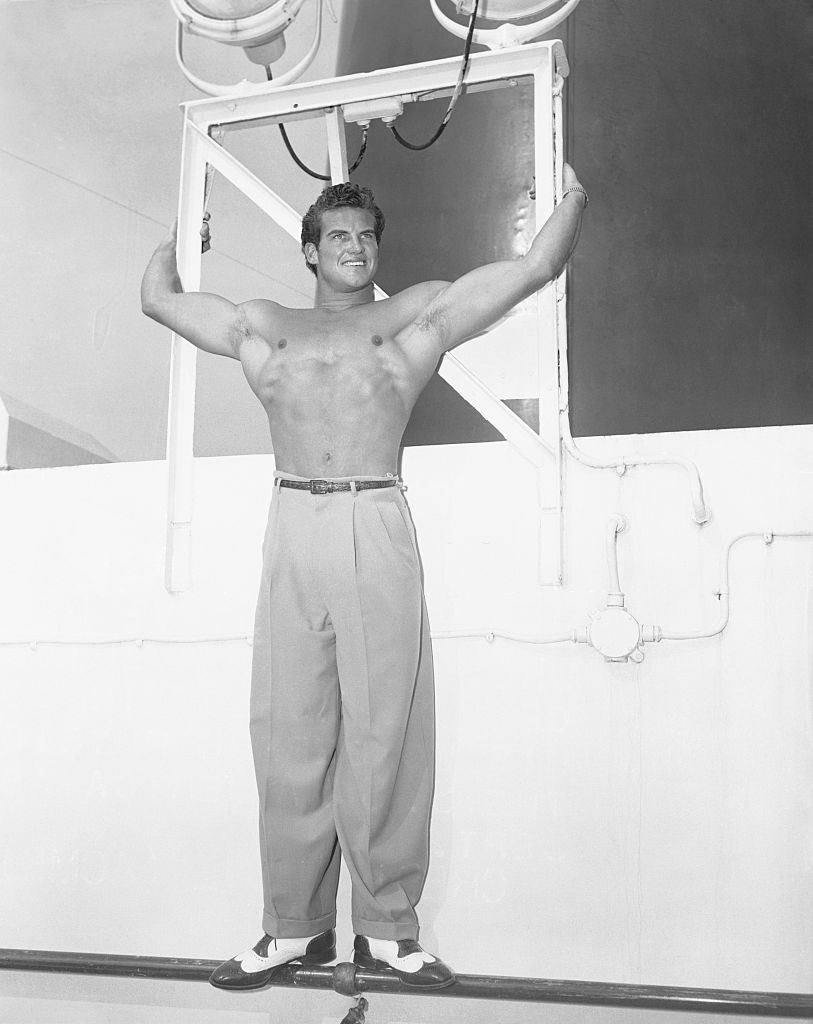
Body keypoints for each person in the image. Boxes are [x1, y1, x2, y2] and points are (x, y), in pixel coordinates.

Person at [140, 166, 587, 992]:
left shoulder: (410, 315)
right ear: (309, 251)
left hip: (374, 513)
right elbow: (160, 300)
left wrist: (574, 197)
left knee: (385, 732)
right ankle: (290, 929)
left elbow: (532, 269)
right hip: (291, 523)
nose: (355, 246)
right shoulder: (263, 324)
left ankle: (386, 929)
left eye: (365, 236)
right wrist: (175, 235)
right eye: (338, 236)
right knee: (289, 734)